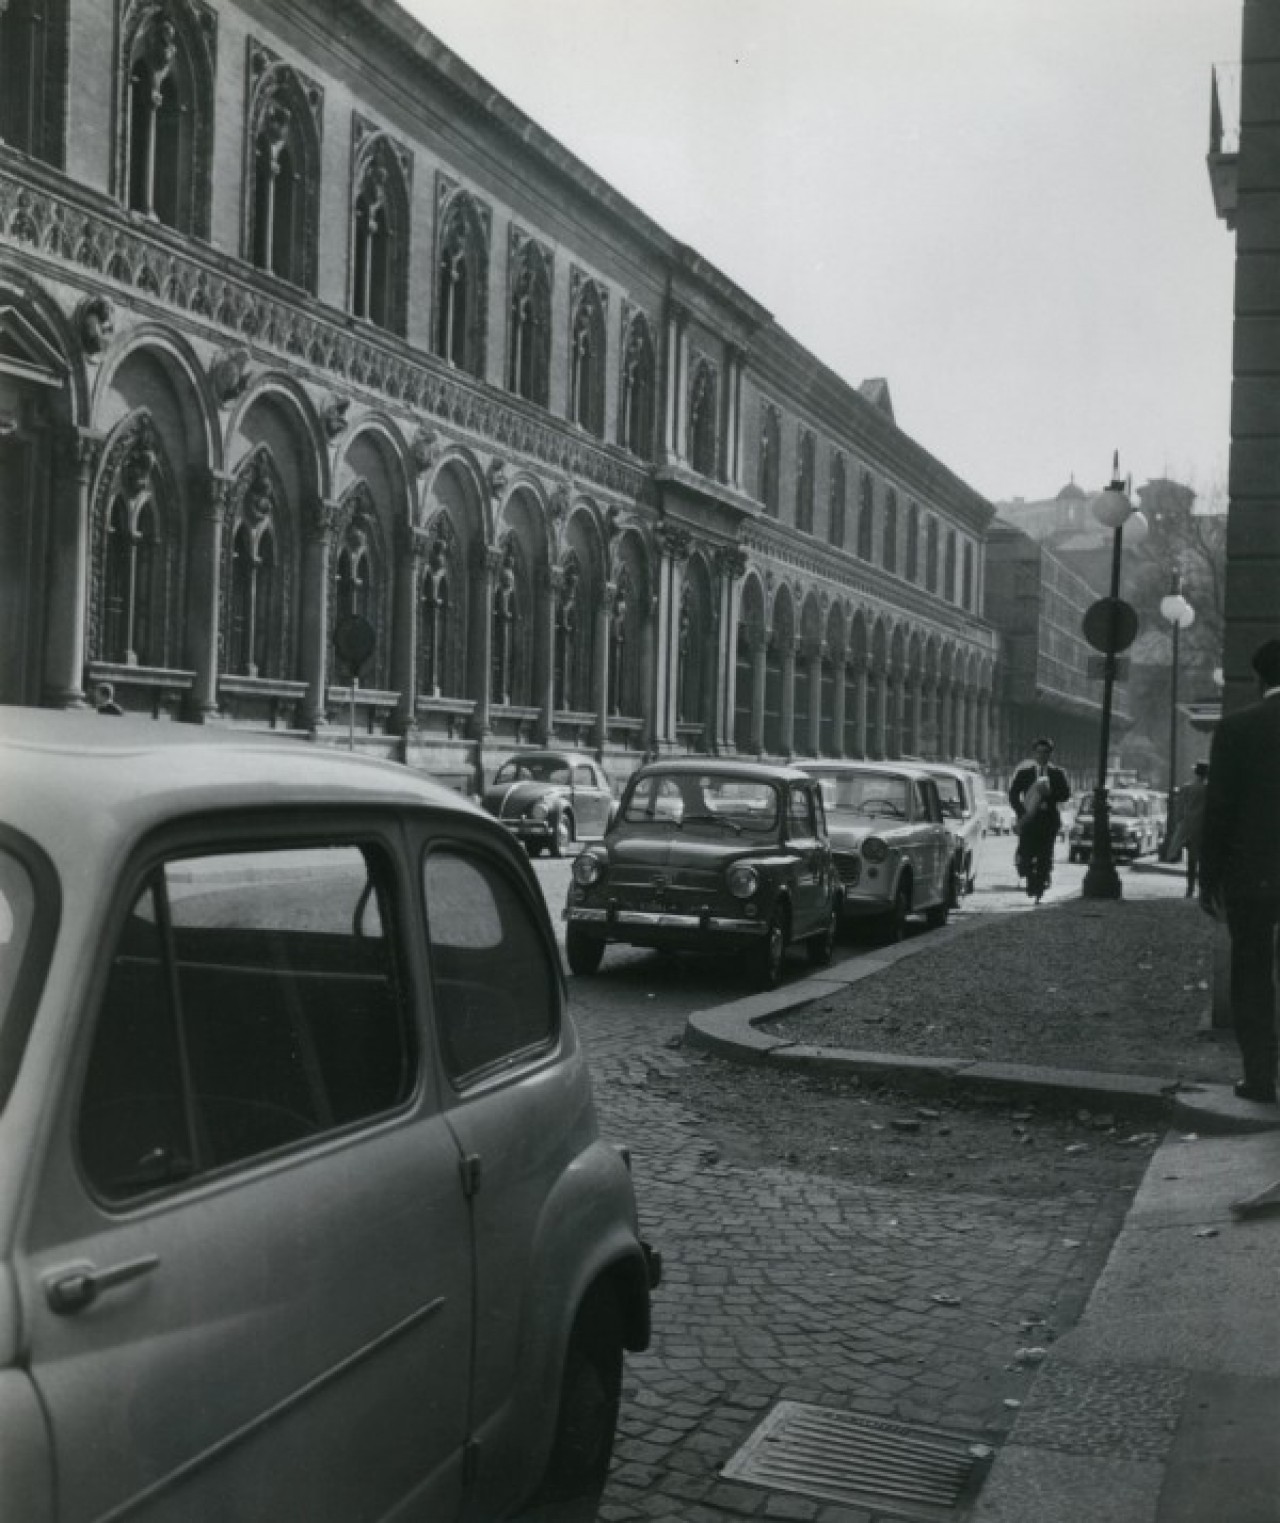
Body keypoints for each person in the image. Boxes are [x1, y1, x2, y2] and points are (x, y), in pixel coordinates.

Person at [1199, 638, 1280, 1105]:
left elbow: (1219, 812)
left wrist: (1209, 880)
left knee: (1251, 975)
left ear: (1260, 680)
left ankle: (1260, 1078)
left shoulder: (1236, 729)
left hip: (1253, 876)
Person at [1008, 738, 1072, 900]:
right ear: (1034, 753)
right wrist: (1021, 811)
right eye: (1039, 752)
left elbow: (1065, 795)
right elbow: (1013, 794)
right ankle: (1030, 879)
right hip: (1029, 820)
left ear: (1050, 754)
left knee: (1045, 856)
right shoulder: (1025, 773)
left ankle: (1041, 884)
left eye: (1045, 752)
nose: (1042, 755)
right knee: (1025, 856)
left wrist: (1050, 794)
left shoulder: (1058, 774)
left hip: (1048, 821)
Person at [1174, 761, 1209, 898]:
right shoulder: (1209, 789)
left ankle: (1190, 889)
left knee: (1191, 860)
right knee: (1204, 860)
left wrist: (1179, 825)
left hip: (1190, 826)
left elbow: (1179, 810)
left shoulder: (1187, 788)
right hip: (1204, 827)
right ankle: (1203, 889)